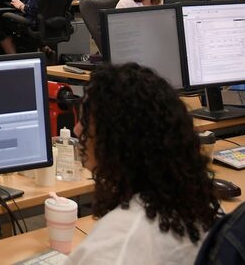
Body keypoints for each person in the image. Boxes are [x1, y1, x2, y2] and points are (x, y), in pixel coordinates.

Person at [68, 63, 219, 263]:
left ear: (118, 139)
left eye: (86, 120)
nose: (77, 129)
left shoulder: (116, 245)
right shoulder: (197, 205)